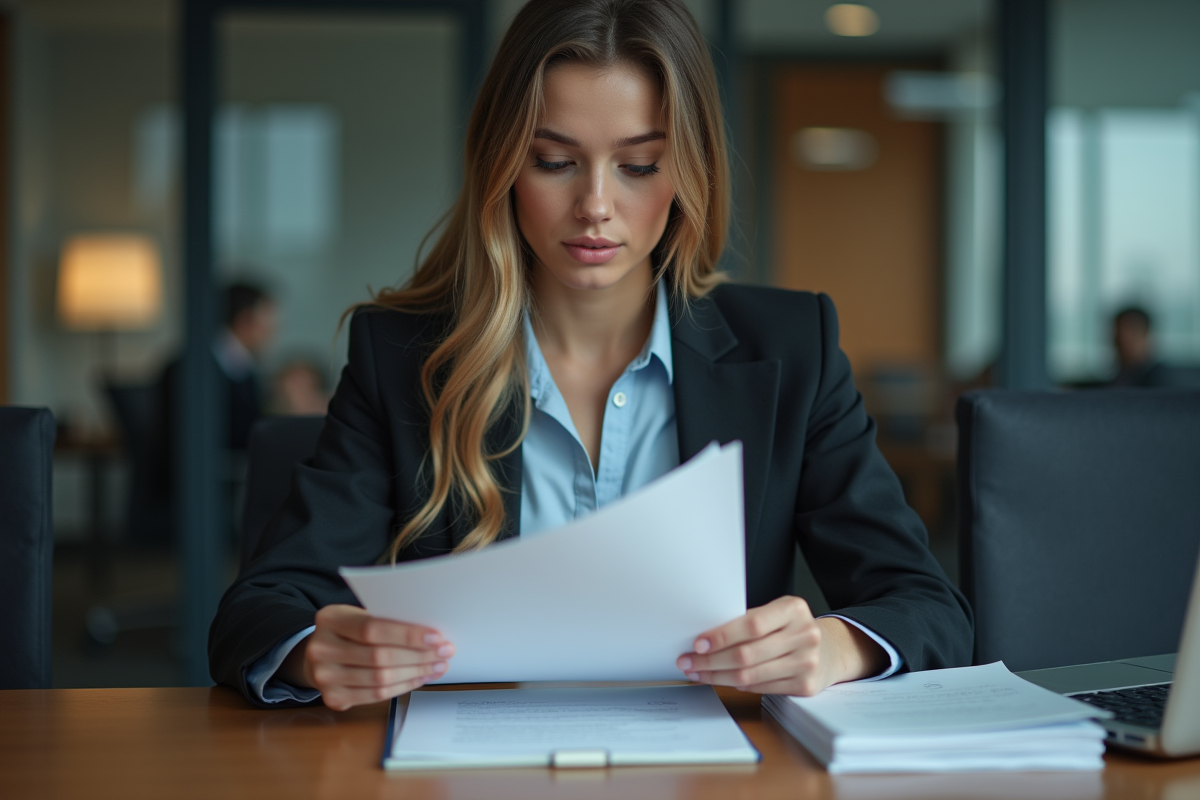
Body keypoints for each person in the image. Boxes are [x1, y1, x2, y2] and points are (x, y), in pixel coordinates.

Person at [209, 0, 972, 711]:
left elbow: (928, 607)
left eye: (638, 165)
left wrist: (832, 648)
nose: (596, 205)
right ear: (503, 165)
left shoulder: (789, 350)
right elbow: (258, 611)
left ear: (688, 170)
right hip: (468, 769)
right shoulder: (403, 356)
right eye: (553, 160)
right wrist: (316, 652)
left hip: (714, 774)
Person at [1109, 306, 1173, 388]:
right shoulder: (1120, 376)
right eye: (1118, 337)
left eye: (1130, 337)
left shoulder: (1160, 379)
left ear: (1145, 334)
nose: (1121, 345)